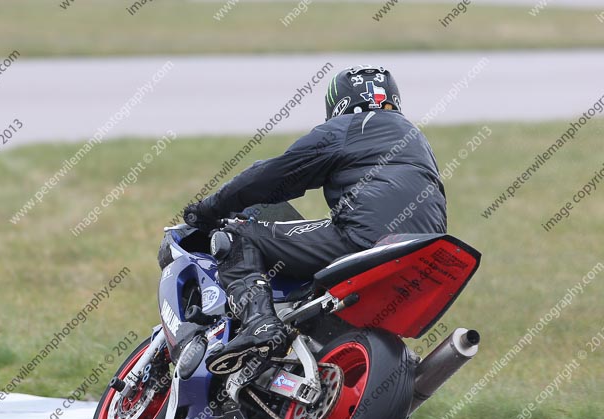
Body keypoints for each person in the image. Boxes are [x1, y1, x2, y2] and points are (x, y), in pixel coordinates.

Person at [183, 65, 447, 372]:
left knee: (240, 236)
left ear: (339, 102)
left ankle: (259, 324)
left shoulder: (348, 127)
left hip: (367, 240)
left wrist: (209, 208)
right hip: (427, 253)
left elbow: (272, 175)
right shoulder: (416, 137)